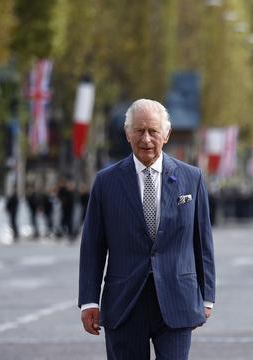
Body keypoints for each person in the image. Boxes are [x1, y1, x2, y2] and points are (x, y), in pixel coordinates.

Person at [78, 99, 216, 359]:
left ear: (166, 134)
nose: (146, 139)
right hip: (124, 303)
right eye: (139, 131)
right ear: (127, 134)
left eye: (153, 131)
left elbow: (202, 242)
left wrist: (207, 295)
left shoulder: (192, 178)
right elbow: (92, 248)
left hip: (177, 300)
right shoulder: (106, 183)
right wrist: (89, 300)